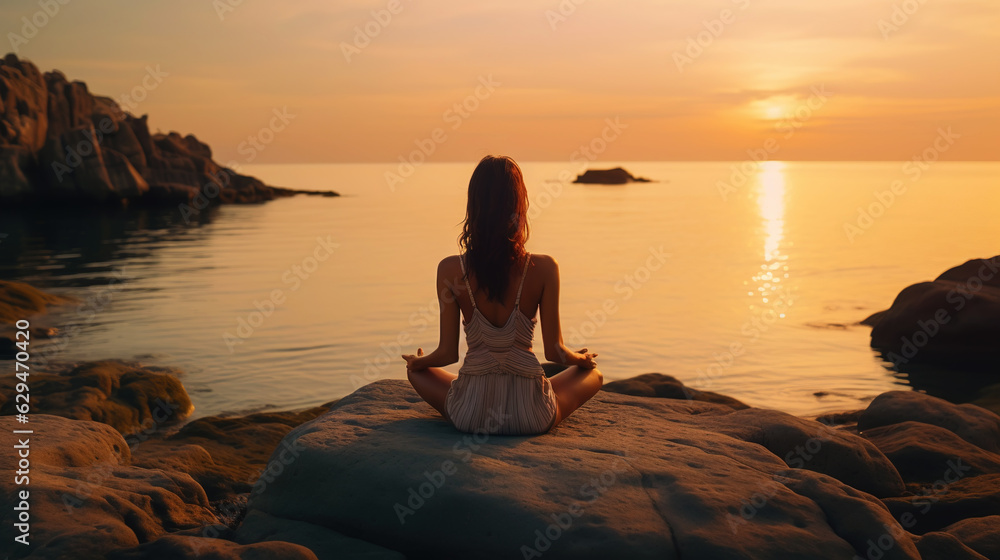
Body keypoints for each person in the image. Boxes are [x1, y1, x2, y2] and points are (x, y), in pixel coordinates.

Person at [402, 155, 603, 435]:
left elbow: (447, 353)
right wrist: (580, 359)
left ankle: (458, 387)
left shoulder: (449, 269)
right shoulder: (544, 267)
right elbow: (555, 353)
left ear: (474, 205)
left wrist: (419, 362)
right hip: (531, 415)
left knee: (416, 372)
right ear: (519, 203)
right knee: (593, 374)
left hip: (470, 415)